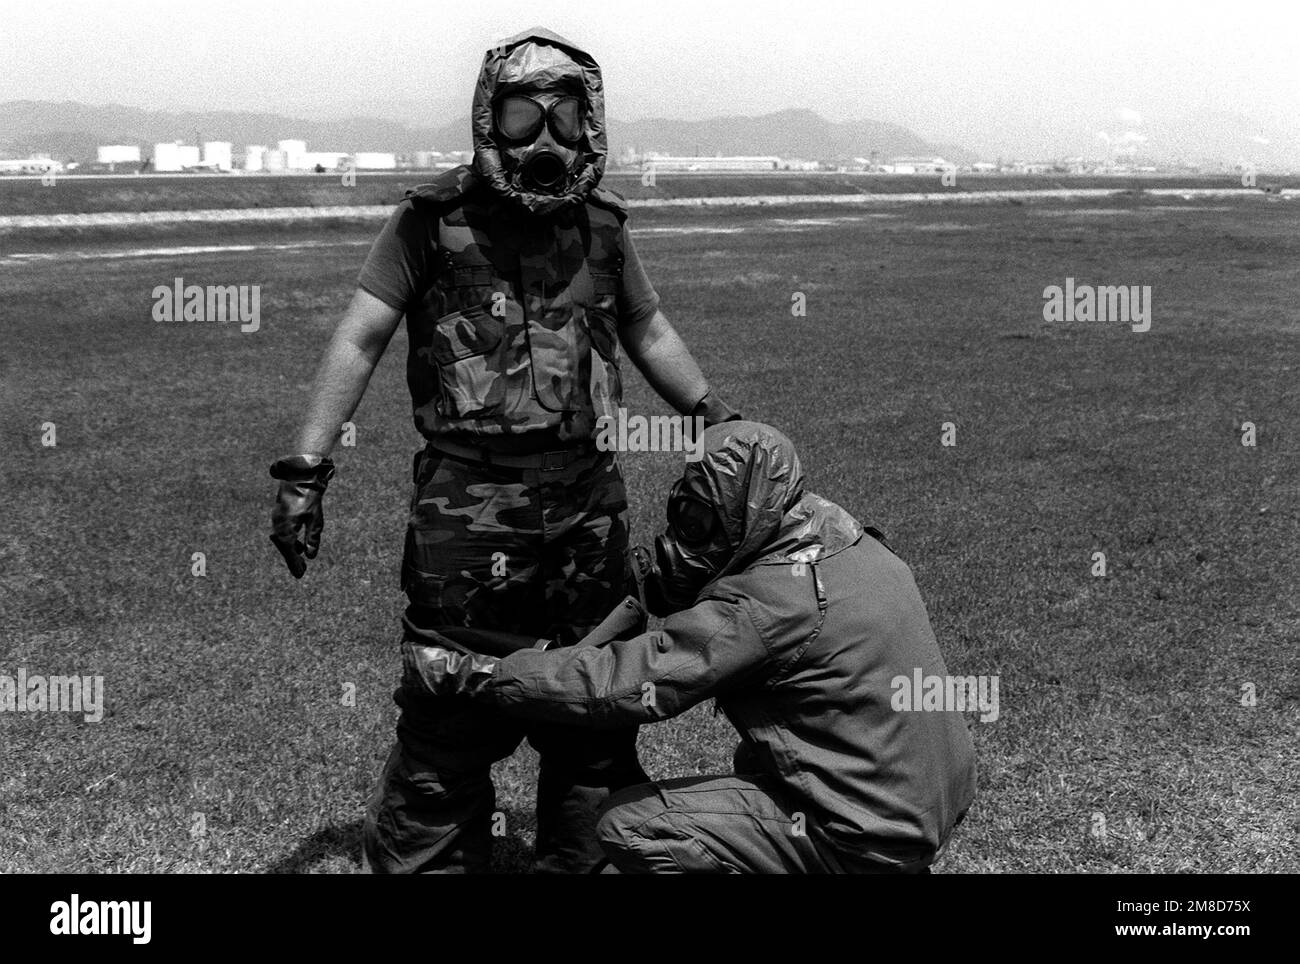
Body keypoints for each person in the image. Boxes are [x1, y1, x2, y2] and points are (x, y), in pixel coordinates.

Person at [268, 26, 739, 874]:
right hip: (465, 513)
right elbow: (360, 337)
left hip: (588, 509)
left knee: (594, 714)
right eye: (525, 118)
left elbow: (646, 325)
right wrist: (306, 469)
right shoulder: (429, 223)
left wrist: (715, 412)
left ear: (591, 125)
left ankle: (584, 863)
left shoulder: (602, 228)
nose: (546, 140)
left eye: (564, 119)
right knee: (449, 713)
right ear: (491, 120)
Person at [405, 421, 977, 873]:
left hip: (872, 832)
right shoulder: (846, 541)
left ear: (744, 513)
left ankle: (845, 863)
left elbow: (627, 687)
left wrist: (479, 672)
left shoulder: (768, 606)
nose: (684, 540)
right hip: (923, 803)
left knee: (632, 825)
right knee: (756, 760)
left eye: (699, 522)